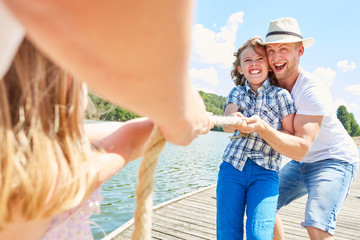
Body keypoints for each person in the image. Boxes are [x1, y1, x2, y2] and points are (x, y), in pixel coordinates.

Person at [0, 38, 155, 240]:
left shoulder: (17, 163)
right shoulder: (48, 180)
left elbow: (109, 132)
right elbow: (133, 140)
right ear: (68, 80)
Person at [0, 0, 214, 146]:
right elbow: (129, 142)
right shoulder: (62, 172)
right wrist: (179, 116)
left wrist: (165, 120)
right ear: (64, 84)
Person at [239, 17, 359, 239]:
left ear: (300, 51)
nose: (275, 57)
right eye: (271, 50)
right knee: (261, 204)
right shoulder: (270, 84)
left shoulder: (312, 91)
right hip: (303, 162)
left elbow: (300, 148)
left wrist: (262, 127)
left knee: (317, 223)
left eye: (283, 49)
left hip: (334, 159)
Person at [217, 37, 295, 240]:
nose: (254, 63)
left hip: (265, 171)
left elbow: (289, 134)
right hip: (232, 168)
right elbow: (226, 124)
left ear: (269, 66)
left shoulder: (282, 96)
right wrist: (234, 120)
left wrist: (264, 128)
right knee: (227, 233)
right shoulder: (236, 92)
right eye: (247, 60)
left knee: (259, 234)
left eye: (260, 58)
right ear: (241, 69)